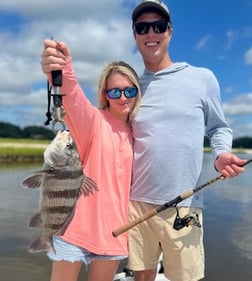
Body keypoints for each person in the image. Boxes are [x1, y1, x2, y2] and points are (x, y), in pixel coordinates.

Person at [127, 1, 248, 281]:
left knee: (186, 278)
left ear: (170, 32)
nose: (150, 33)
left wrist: (220, 155)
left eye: (158, 26)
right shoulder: (130, 87)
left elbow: (218, 127)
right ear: (135, 34)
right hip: (134, 203)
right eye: (142, 27)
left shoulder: (201, 78)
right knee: (141, 277)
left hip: (185, 204)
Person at [40, 39, 141, 281]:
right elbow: (72, 95)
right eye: (115, 91)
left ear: (138, 92)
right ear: (105, 94)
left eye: (130, 90)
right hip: (73, 229)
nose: (123, 97)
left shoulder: (138, 131)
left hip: (114, 233)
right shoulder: (94, 121)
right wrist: (61, 66)